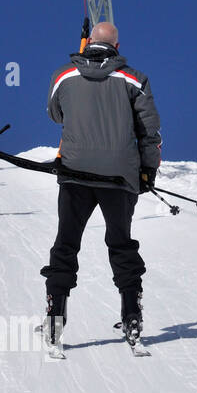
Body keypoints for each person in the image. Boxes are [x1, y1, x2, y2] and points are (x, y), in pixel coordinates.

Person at [40, 22, 161, 350]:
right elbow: (149, 131)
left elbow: (55, 113)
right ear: (117, 47)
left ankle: (55, 317)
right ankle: (132, 315)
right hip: (120, 176)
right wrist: (148, 172)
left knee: (66, 243)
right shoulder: (134, 79)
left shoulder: (64, 75)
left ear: (89, 43)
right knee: (121, 244)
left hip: (75, 171)